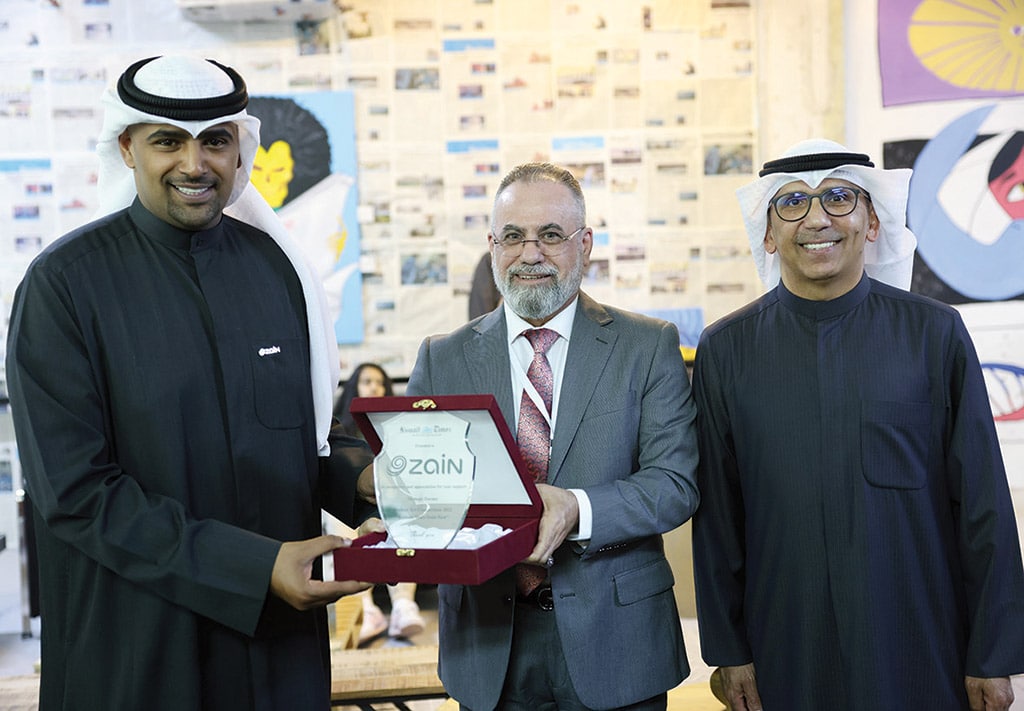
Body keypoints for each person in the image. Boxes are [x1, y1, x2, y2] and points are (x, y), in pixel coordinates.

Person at [5, 55, 381, 711]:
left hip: (277, 659)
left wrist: (367, 482)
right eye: (167, 140)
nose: (194, 163)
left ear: (241, 150)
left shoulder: (276, 270)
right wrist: (252, 567)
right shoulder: (63, 287)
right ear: (127, 146)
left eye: (214, 140)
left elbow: (300, 434)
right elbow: (76, 493)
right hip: (139, 656)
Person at [691, 138, 1024, 710]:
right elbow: (719, 518)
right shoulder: (727, 350)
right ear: (769, 233)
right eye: (792, 202)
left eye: (840, 198)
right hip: (784, 646)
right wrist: (728, 649)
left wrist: (992, 656)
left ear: (872, 222)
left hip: (920, 641)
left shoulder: (934, 334)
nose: (817, 218)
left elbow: (983, 507)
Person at [405, 162, 700, 710]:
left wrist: (577, 508)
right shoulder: (441, 358)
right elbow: (423, 492)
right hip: (487, 647)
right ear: (493, 246)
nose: (530, 253)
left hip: (618, 644)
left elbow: (675, 484)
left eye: (551, 235)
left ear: (585, 245)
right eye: (513, 236)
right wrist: (401, 513)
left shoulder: (647, 345)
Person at [333, 362, 426, 643]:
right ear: (354, 388)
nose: (373, 387)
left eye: (378, 382)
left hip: (389, 506)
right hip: (352, 512)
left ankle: (403, 604)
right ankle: (367, 609)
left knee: (402, 519)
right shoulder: (341, 438)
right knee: (342, 522)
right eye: (366, 381)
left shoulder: (402, 429)